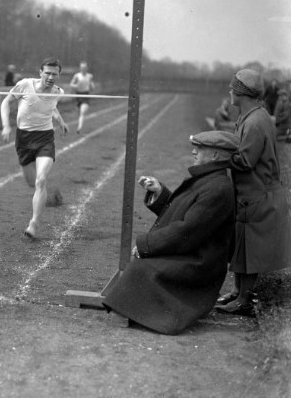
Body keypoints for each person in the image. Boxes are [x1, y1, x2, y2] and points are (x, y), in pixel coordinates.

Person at [103, 131, 239, 335]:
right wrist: (160, 193)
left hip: (200, 264)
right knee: (139, 268)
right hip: (193, 253)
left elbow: (188, 230)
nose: (194, 151)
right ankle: (128, 306)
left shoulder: (217, 188)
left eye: (200, 148)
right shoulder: (210, 180)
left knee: (140, 270)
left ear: (216, 156)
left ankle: (138, 311)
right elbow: (184, 216)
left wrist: (146, 245)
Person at [215, 69, 291, 316]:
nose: (229, 91)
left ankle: (245, 300)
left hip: (259, 195)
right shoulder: (252, 116)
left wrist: (218, 157)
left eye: (232, 88)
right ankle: (239, 292)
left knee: (250, 249)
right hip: (251, 194)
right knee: (241, 244)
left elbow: (245, 160)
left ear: (242, 93)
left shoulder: (256, 122)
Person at [0, 57, 69, 238]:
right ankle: (50, 193)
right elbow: (6, 102)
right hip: (23, 138)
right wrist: (6, 125)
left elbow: (51, 108)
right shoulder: (24, 85)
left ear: (59, 75)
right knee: (32, 182)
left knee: (40, 179)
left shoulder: (58, 92)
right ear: (40, 73)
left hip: (44, 138)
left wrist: (60, 122)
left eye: (54, 74)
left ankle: (34, 223)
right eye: (47, 72)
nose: (50, 76)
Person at [70, 61, 95, 133]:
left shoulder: (89, 76)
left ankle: (79, 128)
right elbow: (71, 84)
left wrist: (91, 84)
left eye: (84, 67)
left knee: (82, 111)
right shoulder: (77, 75)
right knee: (79, 112)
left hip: (85, 95)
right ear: (80, 68)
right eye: (82, 67)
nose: (83, 69)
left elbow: (92, 88)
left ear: (86, 68)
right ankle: (79, 125)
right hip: (78, 95)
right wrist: (76, 86)